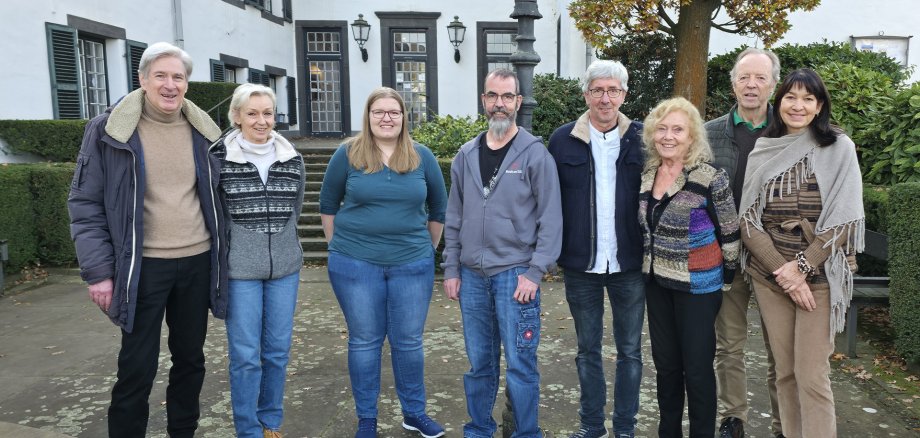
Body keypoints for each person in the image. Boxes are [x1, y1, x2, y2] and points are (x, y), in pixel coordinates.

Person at [67, 42, 226, 438]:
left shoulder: (205, 132)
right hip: (143, 267)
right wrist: (99, 273)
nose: (170, 85)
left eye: (178, 77)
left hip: (197, 262)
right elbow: (85, 204)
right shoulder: (109, 131)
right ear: (142, 79)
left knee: (190, 361)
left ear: (187, 83)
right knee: (137, 366)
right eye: (161, 75)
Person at [739, 68, 864, 438]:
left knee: (811, 375)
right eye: (791, 97)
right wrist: (784, 272)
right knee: (785, 371)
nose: (798, 105)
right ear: (779, 103)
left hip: (822, 278)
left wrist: (804, 266)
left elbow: (844, 219)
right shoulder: (764, 148)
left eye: (808, 98)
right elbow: (748, 221)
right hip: (770, 277)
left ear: (819, 105)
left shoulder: (839, 147)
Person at [319, 86, 448, 438]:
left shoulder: (422, 156)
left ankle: (414, 413)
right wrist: (340, 248)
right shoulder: (348, 154)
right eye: (379, 112)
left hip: (411, 265)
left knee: (408, 341)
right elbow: (328, 205)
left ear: (404, 118)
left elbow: (439, 209)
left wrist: (426, 249)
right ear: (368, 116)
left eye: (394, 112)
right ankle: (367, 420)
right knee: (364, 341)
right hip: (355, 265)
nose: (387, 118)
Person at [442, 68, 562, 438]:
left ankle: (526, 433)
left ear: (518, 102)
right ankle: (479, 429)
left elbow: (551, 220)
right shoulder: (465, 155)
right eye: (492, 96)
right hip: (472, 278)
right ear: (483, 100)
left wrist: (535, 270)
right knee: (479, 364)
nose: (499, 104)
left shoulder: (535, 155)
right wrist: (451, 268)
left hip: (515, 276)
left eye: (507, 97)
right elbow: (454, 217)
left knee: (521, 364)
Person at [547, 60, 645, 438]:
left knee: (630, 352)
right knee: (587, 350)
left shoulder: (641, 137)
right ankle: (592, 427)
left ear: (624, 94)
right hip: (580, 265)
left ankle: (624, 428)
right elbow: (547, 200)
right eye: (598, 90)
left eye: (613, 90)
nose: (605, 98)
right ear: (586, 93)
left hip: (629, 263)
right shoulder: (561, 139)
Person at [638, 97, 740, 438]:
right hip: (657, 284)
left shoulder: (711, 177)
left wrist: (724, 278)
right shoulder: (648, 175)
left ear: (692, 136)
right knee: (666, 368)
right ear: (653, 134)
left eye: (678, 129)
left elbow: (730, 232)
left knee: (696, 370)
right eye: (662, 129)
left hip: (698, 287)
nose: (669, 136)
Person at [211, 83, 305, 438]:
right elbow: (216, 213)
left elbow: (295, 210)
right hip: (240, 271)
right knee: (246, 355)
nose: (261, 121)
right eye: (252, 113)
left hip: (284, 270)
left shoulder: (291, 158)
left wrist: (287, 248)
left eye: (267, 113)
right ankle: (248, 429)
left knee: (278, 351)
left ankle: (270, 421)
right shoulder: (218, 157)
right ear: (236, 116)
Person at [705, 47, 784, 438]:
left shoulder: (790, 131)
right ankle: (733, 418)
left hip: (777, 258)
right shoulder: (709, 133)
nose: (751, 85)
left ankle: (783, 422)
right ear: (733, 82)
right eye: (743, 77)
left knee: (779, 348)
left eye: (760, 78)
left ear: (773, 83)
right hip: (728, 256)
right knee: (729, 345)